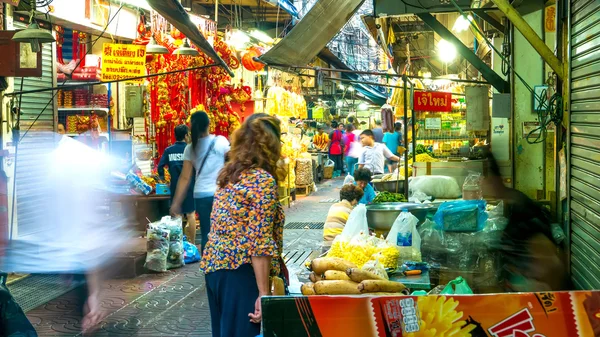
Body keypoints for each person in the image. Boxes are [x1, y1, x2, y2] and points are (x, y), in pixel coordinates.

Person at [201, 113, 284, 337]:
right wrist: (263, 293)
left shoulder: (230, 174)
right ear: (271, 145)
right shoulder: (261, 180)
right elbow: (259, 240)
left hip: (215, 269)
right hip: (241, 272)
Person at [484, 154, 570, 292]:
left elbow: (551, 262)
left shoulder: (524, 210)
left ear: (493, 180)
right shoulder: (511, 201)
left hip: (540, 293)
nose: (481, 184)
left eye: (484, 179)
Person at [170, 111, 230, 253]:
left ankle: (208, 269)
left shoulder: (190, 148)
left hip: (201, 195)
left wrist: (176, 202)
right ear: (209, 124)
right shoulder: (221, 141)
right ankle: (222, 266)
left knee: (206, 233)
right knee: (223, 231)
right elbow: (232, 163)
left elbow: (185, 178)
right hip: (220, 193)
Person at [158, 125, 197, 243]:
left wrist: (163, 179)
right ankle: (193, 243)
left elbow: (160, 166)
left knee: (178, 216)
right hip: (190, 186)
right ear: (185, 136)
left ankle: (179, 245)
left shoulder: (169, 150)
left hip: (175, 186)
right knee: (191, 214)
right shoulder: (191, 150)